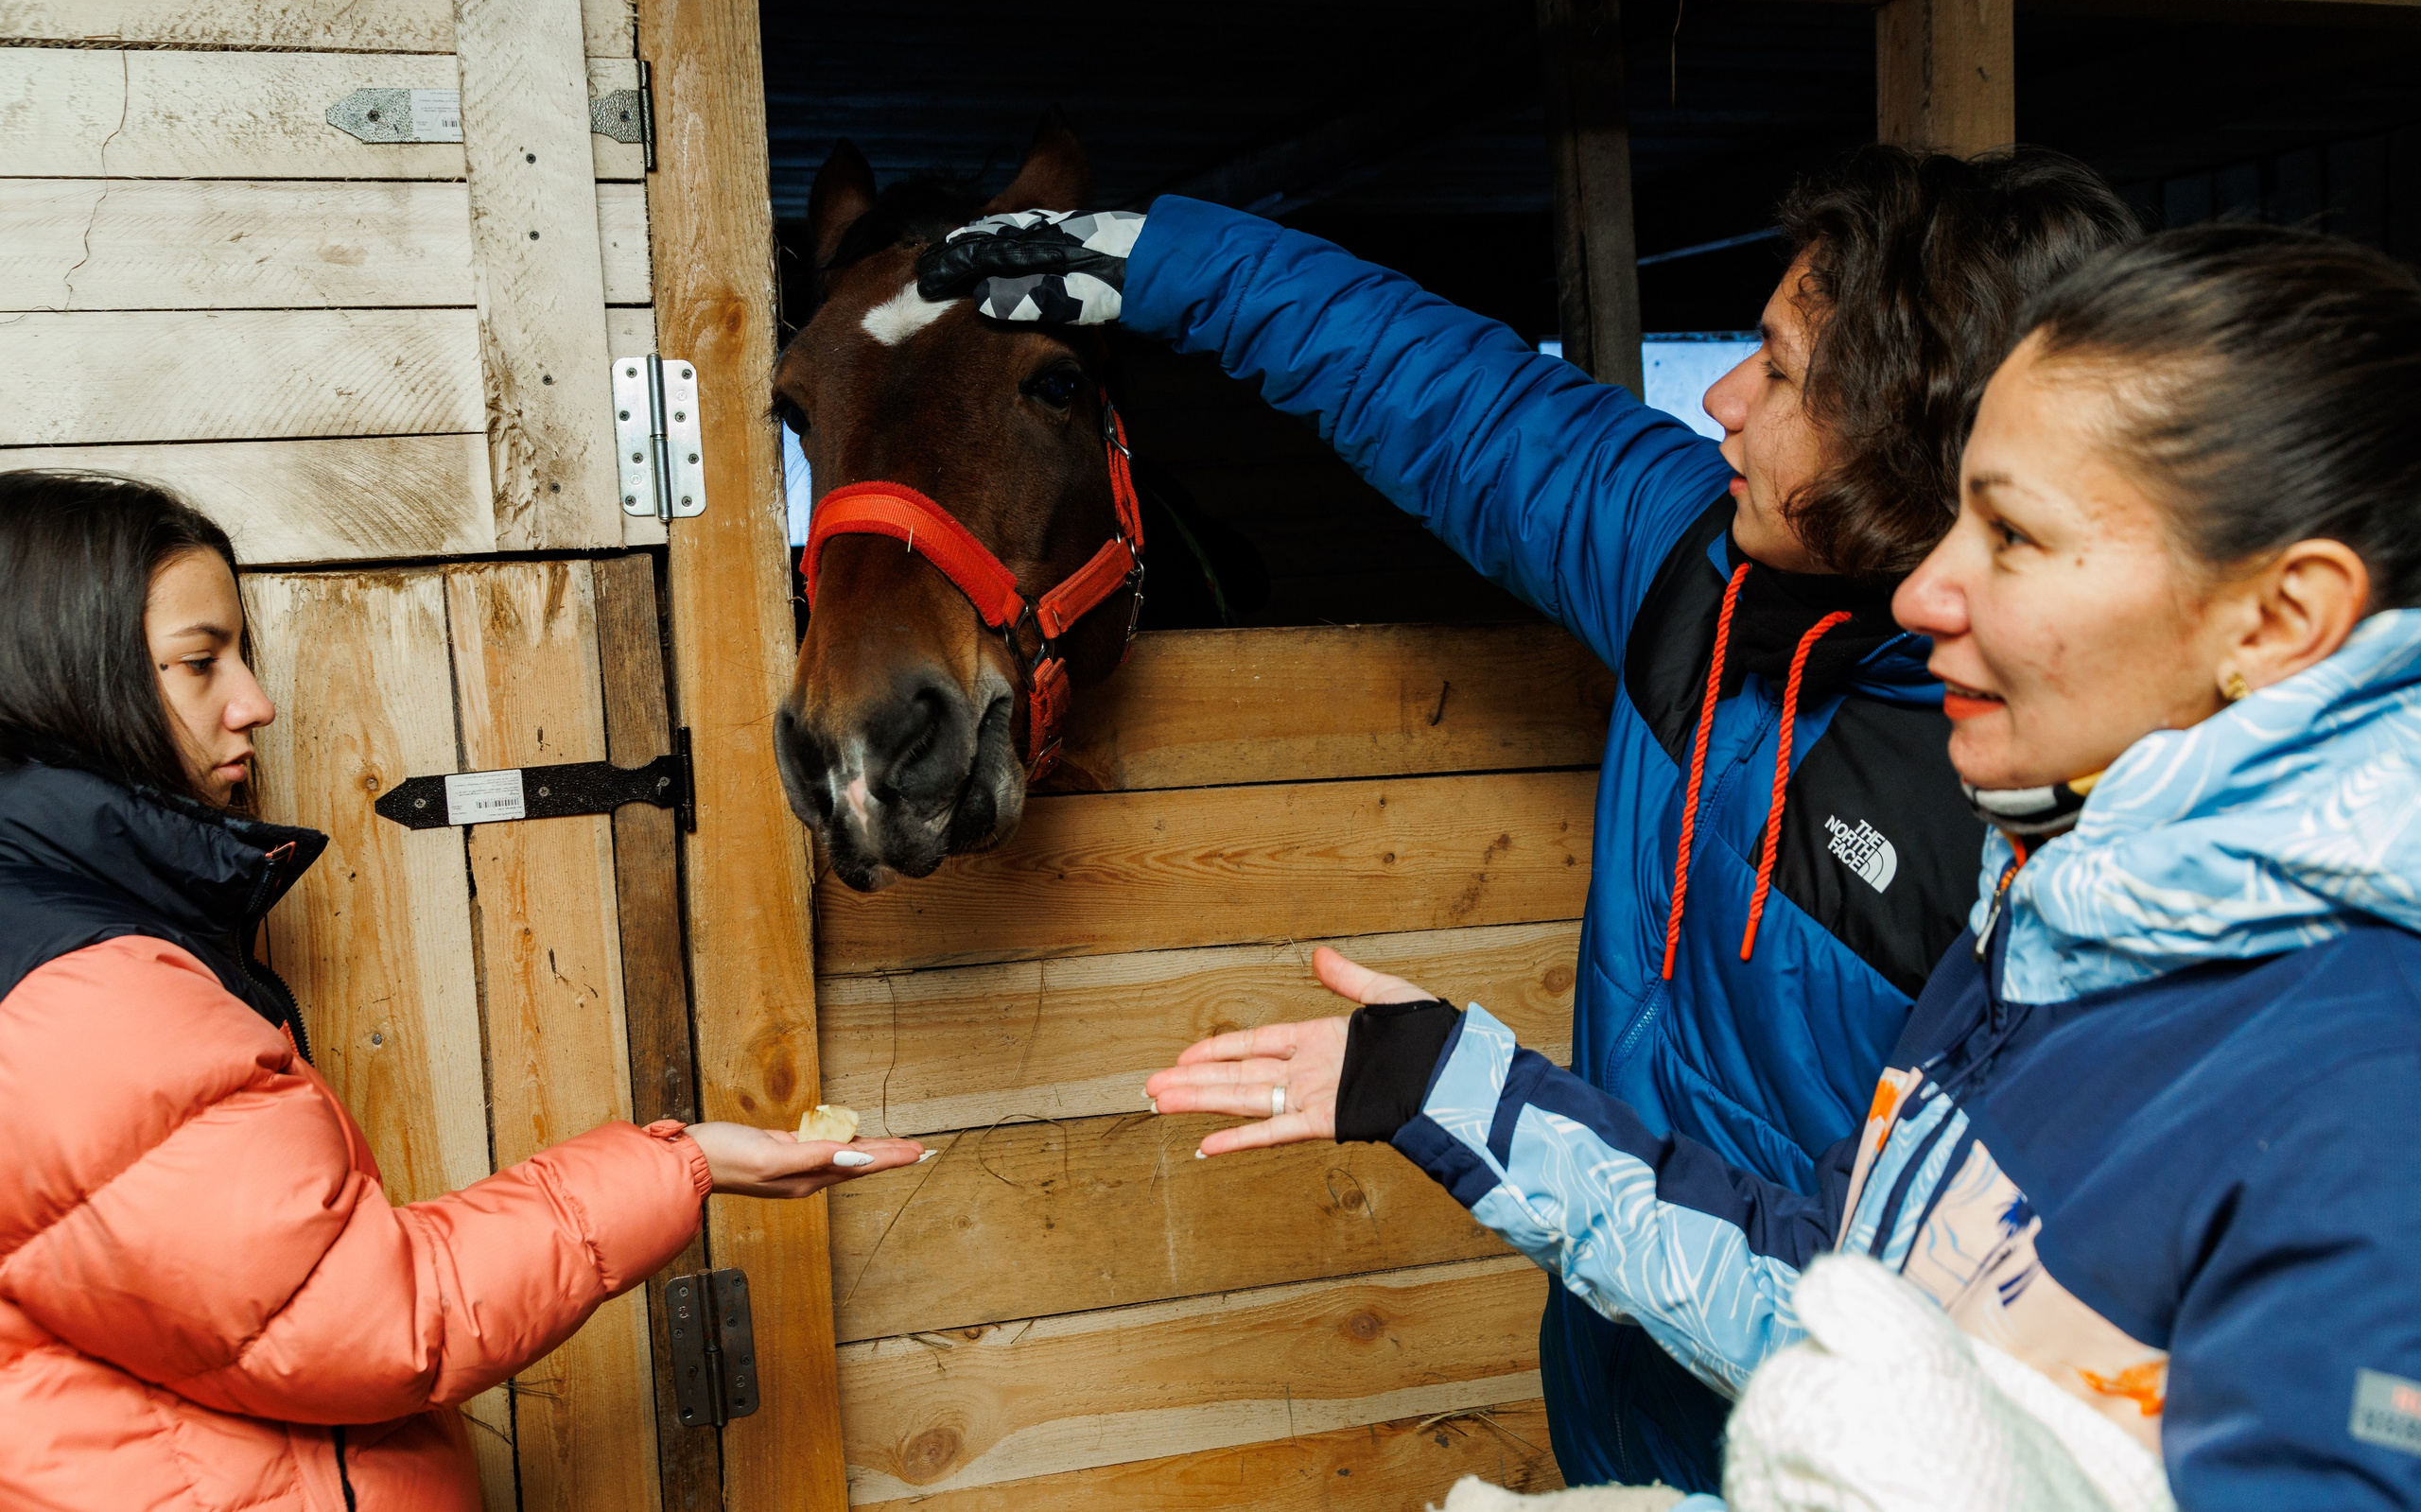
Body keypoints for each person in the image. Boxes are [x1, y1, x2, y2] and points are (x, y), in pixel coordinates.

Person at [1144, 223, 2421, 1508]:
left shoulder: (2367, 1106)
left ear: (2280, 616)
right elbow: (1857, 1302)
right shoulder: (2048, 917)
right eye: (1956, 515)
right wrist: (1460, 1088)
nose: (1928, 591)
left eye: (2014, 535)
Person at [919, 147, 2140, 1486]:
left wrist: (1470, 1096)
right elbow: (1465, 404)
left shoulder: (2033, 813)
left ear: (1913, 435)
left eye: (1782, 372)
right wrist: (1171, 265)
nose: (1723, 400)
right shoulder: (1698, 570)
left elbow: (1947, 1320)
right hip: (1615, 1392)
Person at [0, 472, 927, 1511]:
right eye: (200, 662)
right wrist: (686, 1162)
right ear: (62, 684)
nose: (253, 702)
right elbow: (376, 1319)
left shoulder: (67, 944)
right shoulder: (80, 998)